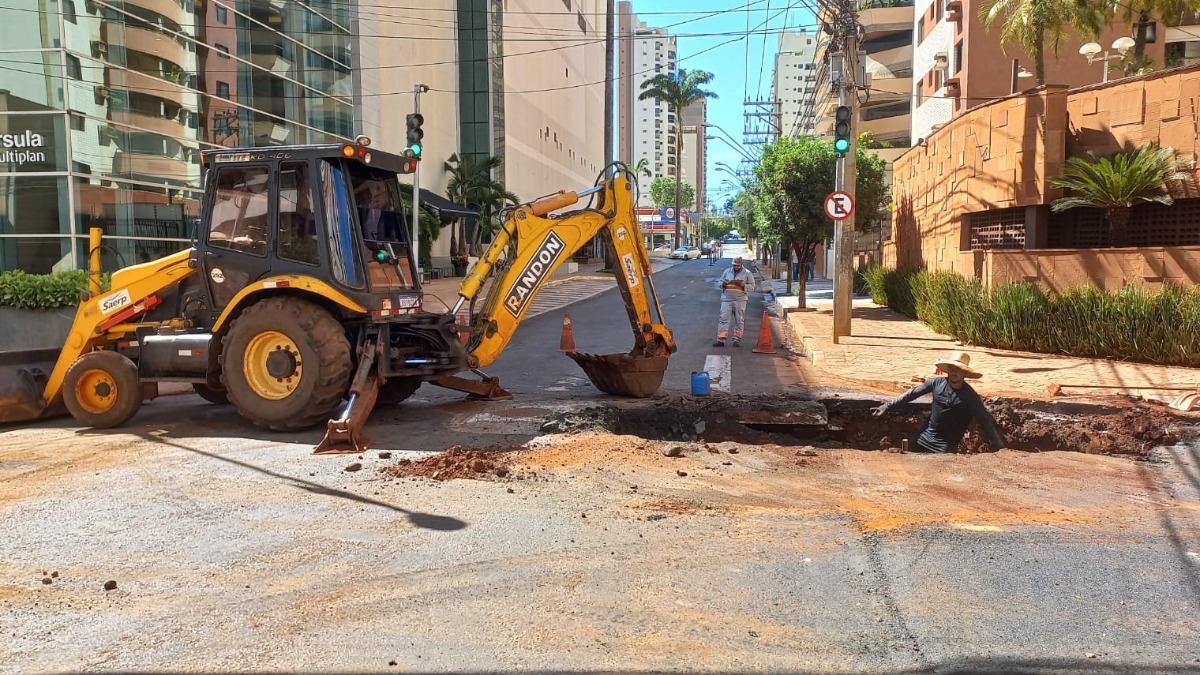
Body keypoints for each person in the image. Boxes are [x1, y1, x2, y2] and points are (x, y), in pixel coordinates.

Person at [871, 352, 1008, 454]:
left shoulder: (971, 397)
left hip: (944, 448)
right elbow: (911, 394)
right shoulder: (936, 383)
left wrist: (999, 447)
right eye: (952, 368)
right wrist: (888, 405)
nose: (954, 372)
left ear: (965, 374)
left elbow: (985, 421)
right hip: (922, 439)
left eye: (959, 369)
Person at [712, 256, 756, 347]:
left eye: (737, 265)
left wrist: (744, 286)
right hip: (726, 299)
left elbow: (753, 286)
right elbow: (719, 283)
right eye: (734, 265)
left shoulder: (747, 273)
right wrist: (722, 284)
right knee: (723, 319)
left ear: (741, 264)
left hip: (740, 300)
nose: (736, 267)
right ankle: (721, 340)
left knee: (739, 320)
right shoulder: (727, 271)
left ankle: (737, 339)